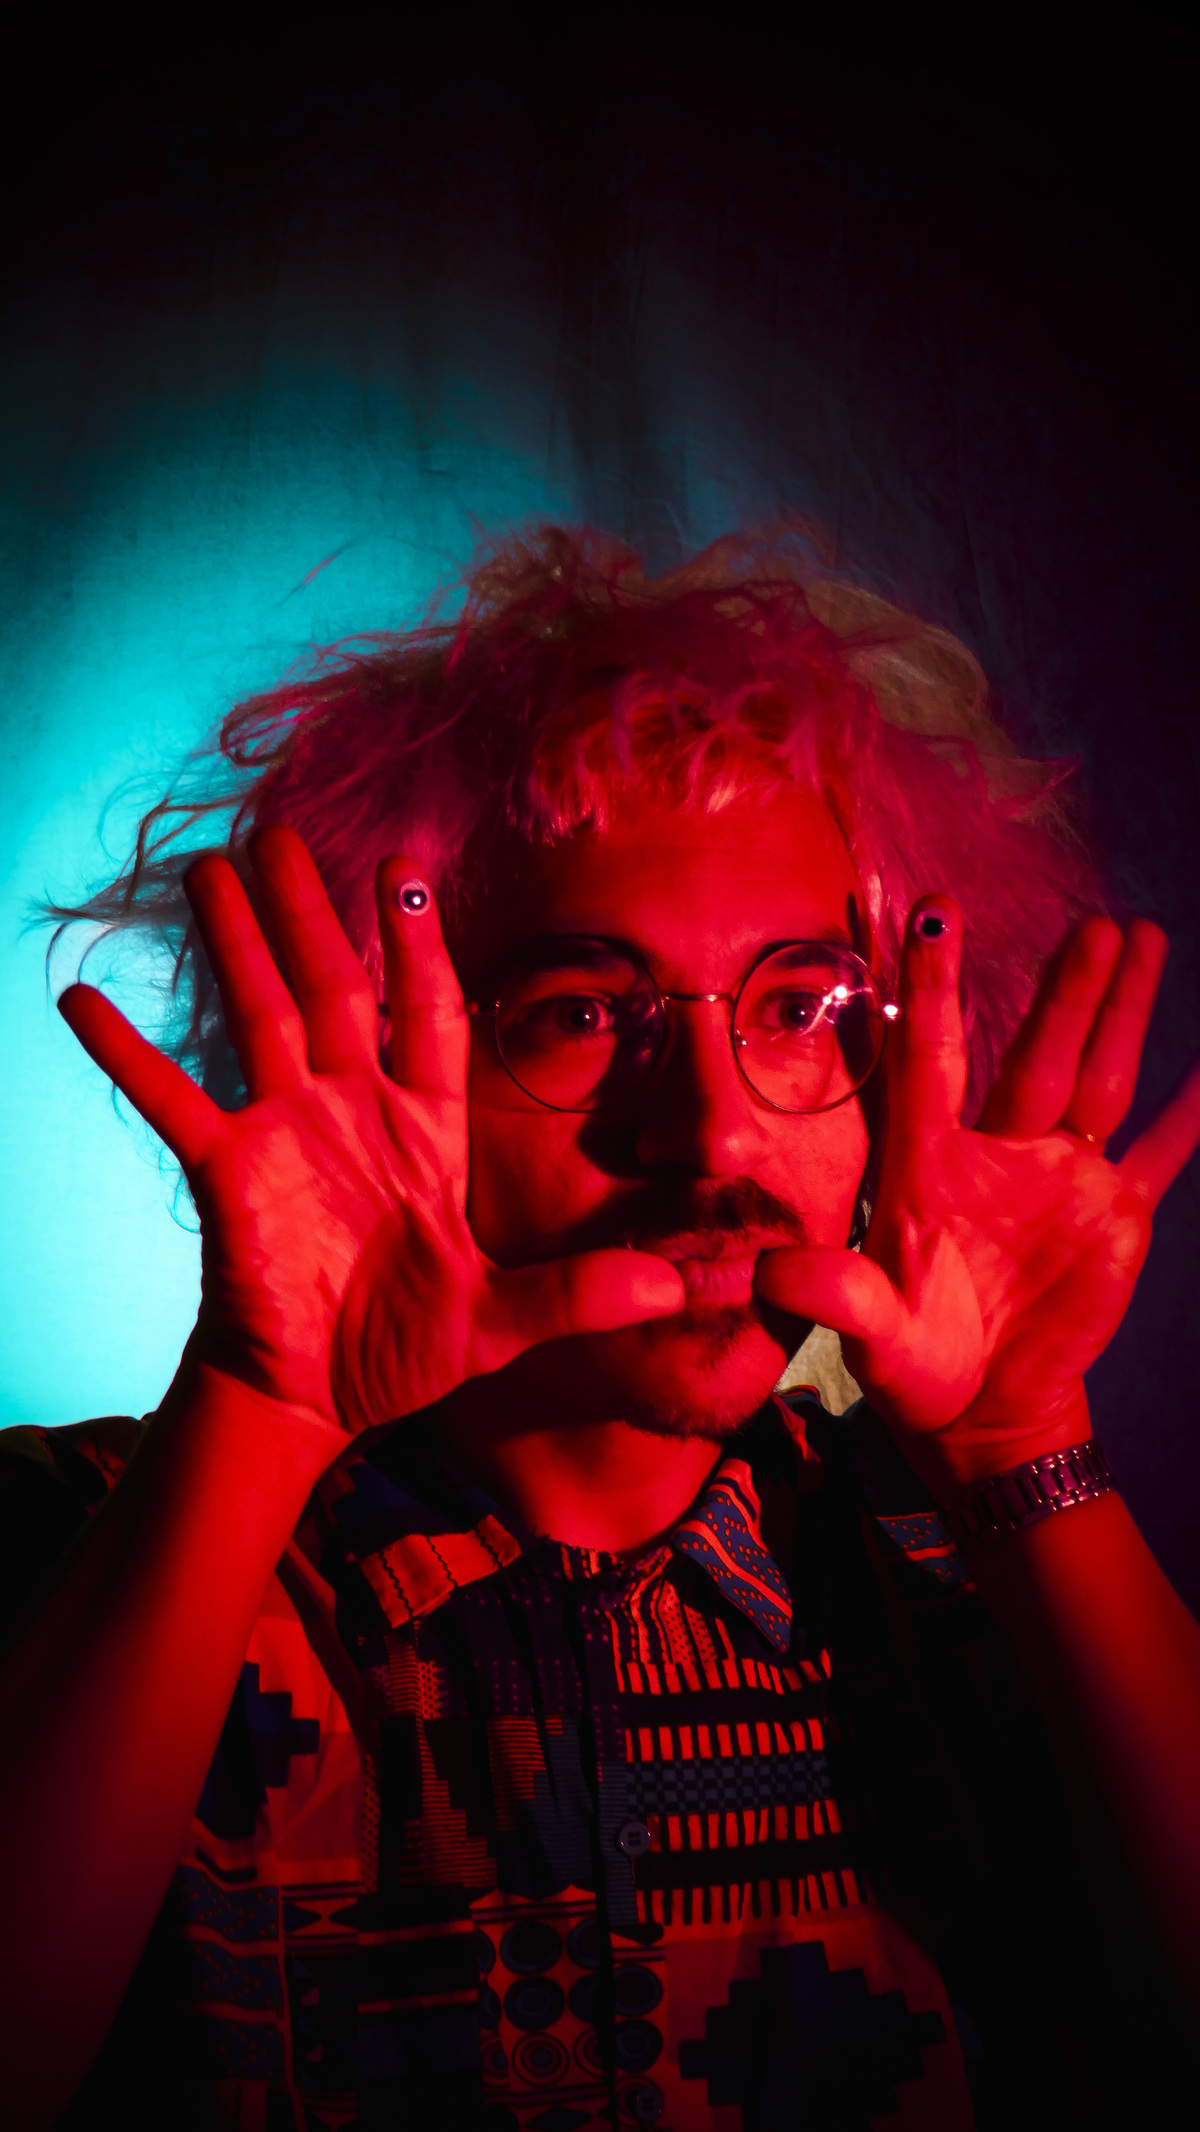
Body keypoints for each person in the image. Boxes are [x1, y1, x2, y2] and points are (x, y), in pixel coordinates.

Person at [3, 525, 1200, 2132]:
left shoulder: (963, 1576)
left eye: (798, 1007)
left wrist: (1025, 1451)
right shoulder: (79, 1547)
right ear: (381, 1045)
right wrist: (259, 1410)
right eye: (579, 1012)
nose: (711, 1133)